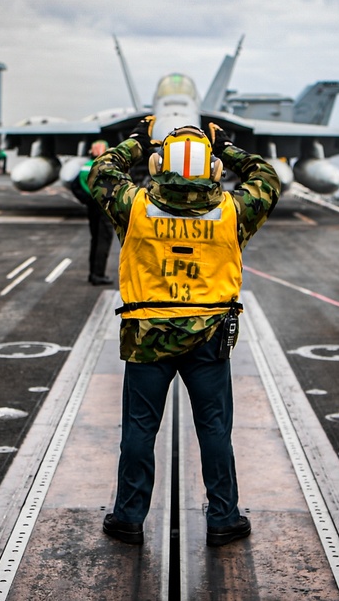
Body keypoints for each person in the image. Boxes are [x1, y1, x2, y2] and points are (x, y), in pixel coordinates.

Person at [89, 117, 281, 546]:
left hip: (146, 336)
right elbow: (268, 177)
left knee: (140, 430)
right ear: (212, 170)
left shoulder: (136, 205)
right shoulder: (232, 210)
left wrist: (136, 142)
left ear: (159, 164)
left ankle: (128, 518)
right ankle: (223, 517)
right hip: (210, 336)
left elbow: (101, 172)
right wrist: (228, 147)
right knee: (214, 429)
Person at [69, 140, 114, 285]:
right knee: (103, 240)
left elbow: (75, 186)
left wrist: (87, 200)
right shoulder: (105, 167)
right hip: (103, 208)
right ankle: (98, 274)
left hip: (92, 208)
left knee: (95, 239)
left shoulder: (85, 167)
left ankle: (93, 273)